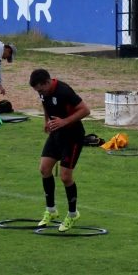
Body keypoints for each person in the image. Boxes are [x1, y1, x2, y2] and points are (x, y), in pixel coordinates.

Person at [29, 69, 91, 232]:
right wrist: (46, 121)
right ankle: (51, 210)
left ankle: (72, 214)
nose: (39, 93)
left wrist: (65, 121)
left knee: (65, 176)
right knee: (44, 169)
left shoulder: (64, 91)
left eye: (41, 89)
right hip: (56, 134)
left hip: (72, 136)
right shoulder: (43, 92)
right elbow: (45, 104)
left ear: (47, 82)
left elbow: (85, 110)